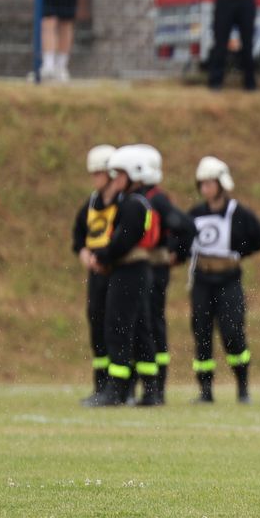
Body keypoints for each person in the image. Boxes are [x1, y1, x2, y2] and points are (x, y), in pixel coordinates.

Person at [187, 156, 260, 404]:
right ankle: (205, 390)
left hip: (229, 280)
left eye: (210, 183)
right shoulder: (195, 214)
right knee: (201, 333)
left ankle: (242, 387)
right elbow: (182, 240)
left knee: (233, 331)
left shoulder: (237, 212)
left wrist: (242, 251)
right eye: (202, 184)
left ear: (221, 184)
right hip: (202, 281)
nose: (205, 189)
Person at [79, 146, 158, 407]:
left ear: (132, 175)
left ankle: (118, 390)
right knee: (133, 328)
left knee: (119, 328)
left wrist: (101, 257)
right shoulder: (131, 202)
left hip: (130, 271)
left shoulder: (134, 205)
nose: (116, 179)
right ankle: (145, 390)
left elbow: (122, 241)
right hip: (125, 271)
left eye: (120, 174)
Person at [133, 146, 190, 408]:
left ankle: (157, 386)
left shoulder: (156, 199)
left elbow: (185, 226)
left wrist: (177, 254)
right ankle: (141, 384)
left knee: (152, 324)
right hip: (140, 269)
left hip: (155, 269)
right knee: (138, 324)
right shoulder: (140, 196)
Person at [72, 144, 118, 401]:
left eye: (98, 173)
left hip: (117, 272)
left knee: (116, 327)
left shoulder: (123, 203)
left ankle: (119, 385)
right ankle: (101, 385)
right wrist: (85, 256)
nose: (94, 178)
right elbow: (78, 237)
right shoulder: (91, 203)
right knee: (97, 326)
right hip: (97, 275)